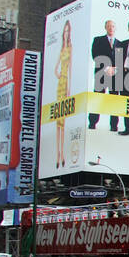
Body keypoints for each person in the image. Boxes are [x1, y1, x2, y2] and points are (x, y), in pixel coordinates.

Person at [89, 19, 120, 132]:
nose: (111, 28)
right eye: (109, 26)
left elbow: (121, 60)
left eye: (113, 26)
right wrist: (106, 68)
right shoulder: (98, 40)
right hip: (101, 74)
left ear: (115, 28)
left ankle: (113, 125)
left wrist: (114, 69)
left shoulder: (119, 43)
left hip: (115, 76)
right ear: (105, 27)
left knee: (114, 100)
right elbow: (95, 55)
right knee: (98, 98)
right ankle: (92, 123)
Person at [54, 21, 71, 168]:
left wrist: (69, 88)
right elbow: (55, 68)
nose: (66, 34)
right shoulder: (62, 48)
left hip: (65, 85)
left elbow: (70, 69)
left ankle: (63, 153)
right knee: (57, 121)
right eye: (64, 32)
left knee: (63, 122)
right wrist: (58, 74)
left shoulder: (70, 48)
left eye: (67, 32)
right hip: (59, 85)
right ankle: (58, 154)